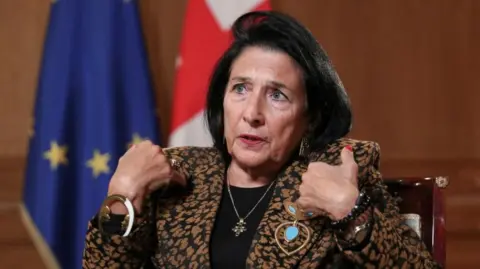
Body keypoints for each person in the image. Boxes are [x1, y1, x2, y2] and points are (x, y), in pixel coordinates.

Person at [82, 11, 438, 268]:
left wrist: (349, 210)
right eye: (240, 89)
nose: (252, 112)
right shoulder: (178, 174)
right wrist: (123, 193)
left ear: (309, 116)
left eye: (277, 95)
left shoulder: (342, 170)